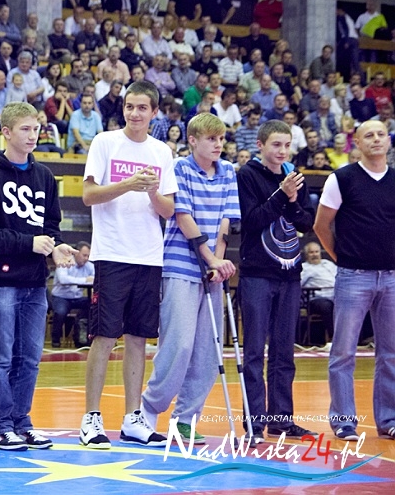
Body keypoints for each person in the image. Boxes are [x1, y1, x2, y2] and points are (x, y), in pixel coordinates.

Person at [0, 101, 77, 450]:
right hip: (0, 280)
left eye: (36, 129)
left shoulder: (44, 176)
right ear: (7, 132)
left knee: (29, 358)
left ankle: (21, 420)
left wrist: (56, 247)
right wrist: (29, 243)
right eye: (26, 129)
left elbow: (52, 226)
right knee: (0, 357)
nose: (33, 136)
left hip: (35, 281)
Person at [80, 80, 177, 449]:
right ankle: (91, 417)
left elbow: (168, 210)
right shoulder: (105, 142)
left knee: (138, 338)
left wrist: (151, 190)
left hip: (148, 255)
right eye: (129, 106)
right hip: (112, 254)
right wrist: (128, 183)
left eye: (142, 108)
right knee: (104, 337)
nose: (135, 113)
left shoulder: (162, 152)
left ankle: (133, 418)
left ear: (154, 112)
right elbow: (89, 195)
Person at [141, 112, 239, 444]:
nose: (218, 145)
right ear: (193, 141)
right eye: (211, 139)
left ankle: (185, 419)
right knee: (179, 345)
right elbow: (183, 217)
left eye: (221, 139)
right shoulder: (179, 168)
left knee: (208, 351)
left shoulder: (228, 171)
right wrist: (210, 258)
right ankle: (148, 408)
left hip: (212, 272)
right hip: (181, 267)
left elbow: (226, 221)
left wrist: (219, 263)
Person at [313, 119, 395, 441]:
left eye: (381, 134)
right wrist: (342, 258)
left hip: (391, 278)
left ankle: (389, 420)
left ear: (388, 141)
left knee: (390, 353)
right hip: (353, 277)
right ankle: (344, 421)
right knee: (343, 352)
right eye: (368, 135)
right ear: (356, 143)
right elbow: (321, 226)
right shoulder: (341, 179)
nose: (376, 139)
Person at [237, 119, 317, 443]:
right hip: (257, 272)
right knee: (255, 351)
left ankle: (281, 420)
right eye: (276, 145)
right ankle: (254, 424)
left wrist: (293, 200)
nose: (282, 151)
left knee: (284, 352)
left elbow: (306, 223)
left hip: (290, 274)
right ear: (260, 145)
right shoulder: (247, 175)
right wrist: (283, 195)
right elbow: (252, 220)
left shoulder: (294, 175)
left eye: (287, 145)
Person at [51, 242, 94, 348]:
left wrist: (87, 280)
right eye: (84, 255)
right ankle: (56, 339)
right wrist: (85, 280)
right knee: (60, 312)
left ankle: (82, 337)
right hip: (61, 297)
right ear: (76, 253)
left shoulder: (89, 266)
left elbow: (95, 279)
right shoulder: (65, 261)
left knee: (93, 306)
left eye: (88, 256)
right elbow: (63, 279)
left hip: (77, 298)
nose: (86, 258)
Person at [300, 241, 337, 344]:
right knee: (326, 305)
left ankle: (360, 338)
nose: (315, 254)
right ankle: (334, 338)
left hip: (335, 296)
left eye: (316, 252)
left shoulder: (328, 264)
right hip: (316, 299)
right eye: (311, 252)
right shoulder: (304, 268)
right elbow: (299, 285)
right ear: (306, 255)